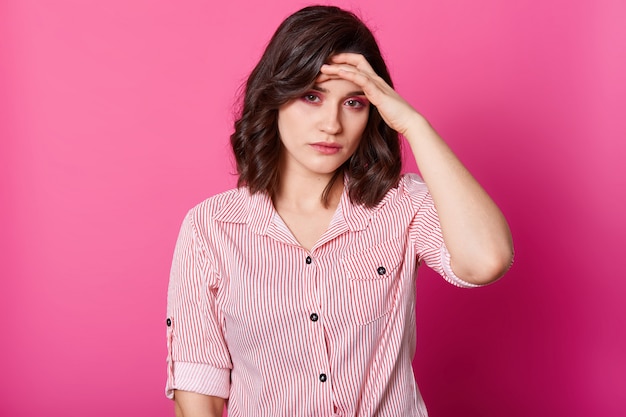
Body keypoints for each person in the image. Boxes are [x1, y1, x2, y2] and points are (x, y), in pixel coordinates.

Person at [165, 5, 513, 417]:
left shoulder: (402, 204)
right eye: (311, 96)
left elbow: (486, 260)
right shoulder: (210, 227)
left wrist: (413, 124)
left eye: (355, 103)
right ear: (274, 97)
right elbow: (198, 385)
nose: (331, 123)